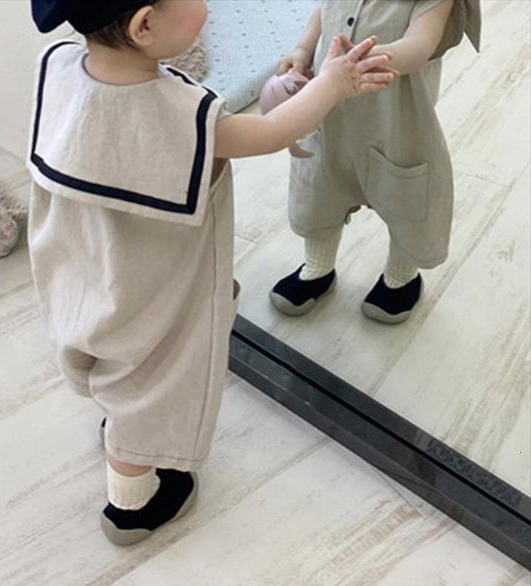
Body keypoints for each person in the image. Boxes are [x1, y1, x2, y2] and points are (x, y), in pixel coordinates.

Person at [27, 0, 395, 545]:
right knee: (154, 382)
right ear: (144, 25)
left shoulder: (58, 66)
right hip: (150, 289)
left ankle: (120, 419)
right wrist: (333, 85)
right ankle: (131, 506)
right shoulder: (181, 114)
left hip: (84, 267)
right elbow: (270, 133)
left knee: (117, 367)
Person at [270, 0, 481, 323]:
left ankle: (400, 277)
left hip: (396, 121)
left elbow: (419, 45)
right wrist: (303, 50)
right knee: (319, 188)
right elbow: (324, 11)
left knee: (405, 197)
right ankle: (317, 267)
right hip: (331, 113)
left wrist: (362, 60)